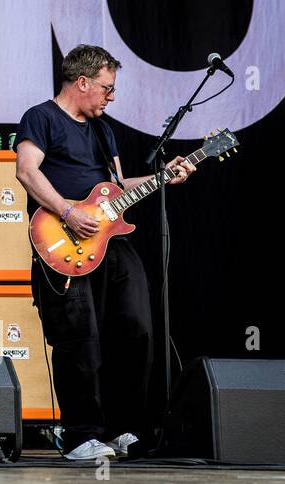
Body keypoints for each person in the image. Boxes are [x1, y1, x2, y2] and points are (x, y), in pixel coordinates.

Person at [14, 44, 193, 461]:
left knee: (135, 328)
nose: (111, 97)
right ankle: (80, 435)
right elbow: (25, 170)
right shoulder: (41, 117)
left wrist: (162, 178)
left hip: (111, 242)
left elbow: (115, 188)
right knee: (80, 336)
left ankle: (119, 429)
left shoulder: (102, 129)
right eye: (106, 89)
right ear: (82, 82)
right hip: (63, 241)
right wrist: (67, 211)